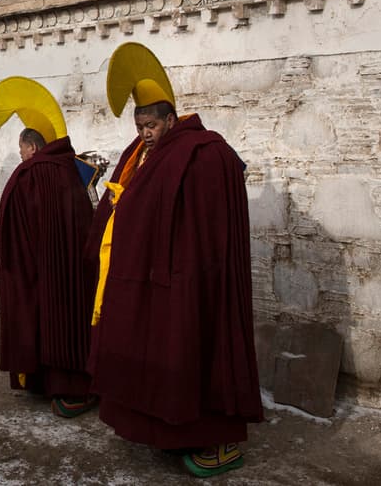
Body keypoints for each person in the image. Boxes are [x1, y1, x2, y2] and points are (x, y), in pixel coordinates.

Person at [87, 42, 261, 478]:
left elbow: (205, 224)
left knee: (194, 350)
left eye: (151, 124)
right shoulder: (138, 154)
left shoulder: (203, 153)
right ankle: (165, 432)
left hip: (192, 278)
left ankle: (214, 438)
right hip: (148, 275)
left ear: (171, 119)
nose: (145, 132)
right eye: (139, 125)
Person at [0, 76, 97, 417]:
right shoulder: (69, 170)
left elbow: (20, 228)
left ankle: (57, 384)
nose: (21, 155)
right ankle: (71, 384)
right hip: (74, 268)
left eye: (22, 149)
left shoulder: (32, 173)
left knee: (44, 321)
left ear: (33, 147)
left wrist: (19, 268)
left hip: (39, 267)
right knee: (69, 323)